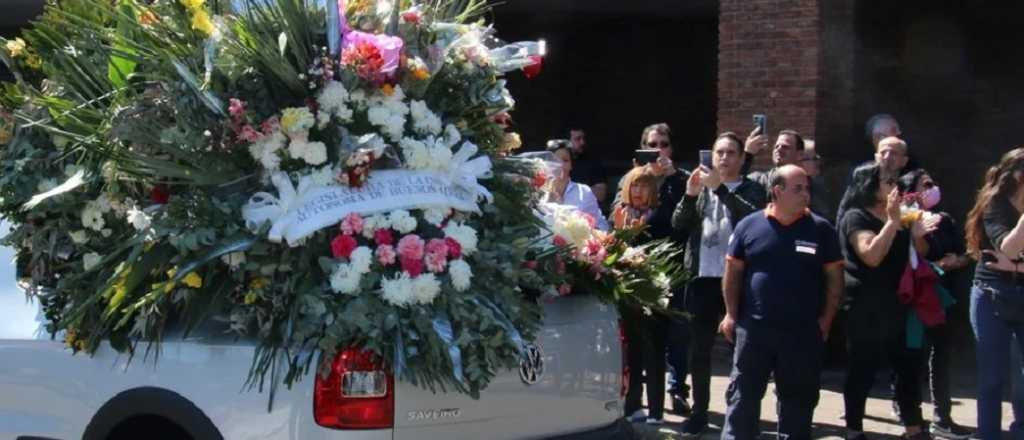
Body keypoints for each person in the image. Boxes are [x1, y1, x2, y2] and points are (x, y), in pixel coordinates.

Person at [719, 165, 844, 440]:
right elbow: (733, 273)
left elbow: (835, 280)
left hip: (801, 334)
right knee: (743, 399)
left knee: (798, 405)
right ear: (777, 191)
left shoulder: (821, 230)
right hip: (754, 331)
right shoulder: (749, 225)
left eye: (807, 188)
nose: (805, 194)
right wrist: (730, 314)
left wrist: (826, 320)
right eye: (798, 188)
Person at [671, 132, 767, 437]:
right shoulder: (701, 187)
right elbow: (678, 224)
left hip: (739, 280)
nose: (723, 158)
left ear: (741, 158)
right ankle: (699, 412)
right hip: (702, 277)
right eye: (719, 152)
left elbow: (752, 220)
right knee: (698, 350)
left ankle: (740, 412)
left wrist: (721, 189)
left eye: (730, 153)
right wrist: (688, 195)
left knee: (743, 349)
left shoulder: (752, 189)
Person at [837, 163, 939, 440]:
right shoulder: (856, 217)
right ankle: (854, 428)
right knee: (863, 368)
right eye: (887, 182)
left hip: (901, 303)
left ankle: (914, 428)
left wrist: (917, 235)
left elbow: (921, 253)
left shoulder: (900, 215)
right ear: (868, 185)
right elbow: (871, 255)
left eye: (896, 181)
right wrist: (893, 222)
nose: (895, 187)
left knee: (908, 367)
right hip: (866, 306)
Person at [894, 169, 973, 439]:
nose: (932, 188)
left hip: (944, 296)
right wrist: (933, 263)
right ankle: (907, 413)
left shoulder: (946, 219)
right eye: (925, 184)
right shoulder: (903, 220)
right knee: (911, 357)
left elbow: (965, 253)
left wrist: (957, 261)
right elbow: (910, 258)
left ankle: (943, 416)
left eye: (933, 183)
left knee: (940, 356)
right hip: (916, 297)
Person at [964, 147, 1024, 440]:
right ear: (1019, 176)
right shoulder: (995, 204)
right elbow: (1007, 248)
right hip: (991, 295)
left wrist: (1016, 266)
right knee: (993, 376)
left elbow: (1010, 258)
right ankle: (988, 435)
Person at [617, 167, 670, 425]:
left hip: (654, 291)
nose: (638, 191)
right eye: (634, 185)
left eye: (644, 185)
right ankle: (633, 404)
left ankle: (657, 410)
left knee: (655, 351)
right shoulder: (619, 214)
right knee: (633, 350)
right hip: (629, 292)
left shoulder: (660, 217)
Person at [545, 139, 609, 230]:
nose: (560, 165)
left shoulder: (584, 191)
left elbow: (601, 224)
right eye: (555, 160)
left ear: (571, 165)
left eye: (565, 160)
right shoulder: (538, 192)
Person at [742, 128, 806, 196]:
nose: (779, 149)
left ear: (800, 155)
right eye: (776, 146)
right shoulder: (759, 180)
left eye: (785, 147)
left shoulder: (809, 185)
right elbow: (735, 183)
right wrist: (748, 154)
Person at [567, 128, 609, 205]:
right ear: (567, 142)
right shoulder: (557, 162)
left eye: (583, 138)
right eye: (578, 139)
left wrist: (570, 192)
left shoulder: (592, 161)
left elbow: (601, 194)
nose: (582, 142)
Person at [799, 140, 836, 221]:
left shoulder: (819, 185)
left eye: (818, 158)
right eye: (814, 158)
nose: (818, 162)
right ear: (799, 161)